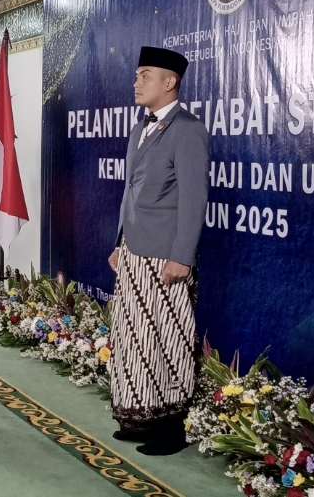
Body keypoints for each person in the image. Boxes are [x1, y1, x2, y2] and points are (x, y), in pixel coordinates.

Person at [106, 46, 209, 456]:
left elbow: (194, 198)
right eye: (136, 76)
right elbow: (129, 192)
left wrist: (182, 256)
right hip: (134, 250)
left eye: (145, 75)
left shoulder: (188, 129)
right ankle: (140, 417)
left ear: (170, 82)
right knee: (134, 338)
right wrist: (119, 243)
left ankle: (171, 426)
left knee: (167, 338)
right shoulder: (139, 128)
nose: (136, 83)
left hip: (165, 256)